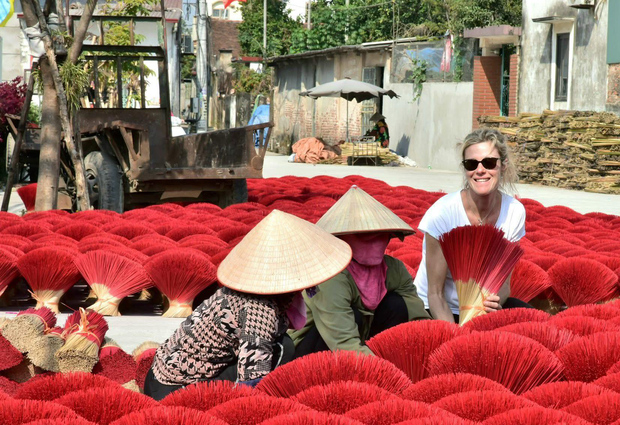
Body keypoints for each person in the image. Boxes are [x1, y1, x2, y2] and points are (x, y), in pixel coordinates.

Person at [144, 210, 352, 400]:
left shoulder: (263, 295)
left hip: (162, 374)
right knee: (282, 348)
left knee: (284, 344)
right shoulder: (260, 307)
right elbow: (252, 379)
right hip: (172, 390)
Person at [291, 185, 430, 357]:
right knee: (354, 315)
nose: (373, 240)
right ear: (342, 237)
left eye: (379, 233)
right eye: (362, 235)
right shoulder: (330, 275)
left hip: (362, 339)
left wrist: (429, 348)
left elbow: (417, 317)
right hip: (315, 346)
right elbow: (343, 342)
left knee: (397, 305)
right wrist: (386, 372)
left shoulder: (394, 269)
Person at [414, 128, 531, 324]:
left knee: (531, 320)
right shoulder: (442, 214)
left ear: (503, 166)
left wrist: (491, 305)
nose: (480, 170)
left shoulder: (514, 212)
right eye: (471, 164)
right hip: (436, 309)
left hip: (480, 308)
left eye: (489, 162)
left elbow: (504, 284)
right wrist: (458, 337)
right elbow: (435, 294)